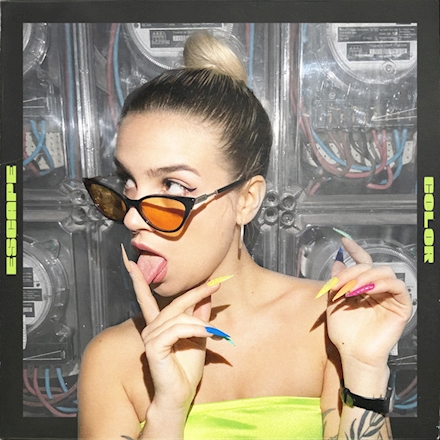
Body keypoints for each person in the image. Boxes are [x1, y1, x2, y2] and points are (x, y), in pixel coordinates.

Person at [78, 30, 412, 439]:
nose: (132, 218)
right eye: (128, 182)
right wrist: (167, 409)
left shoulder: (332, 324)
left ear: (247, 200)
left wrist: (364, 368)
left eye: (173, 186)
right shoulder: (112, 360)